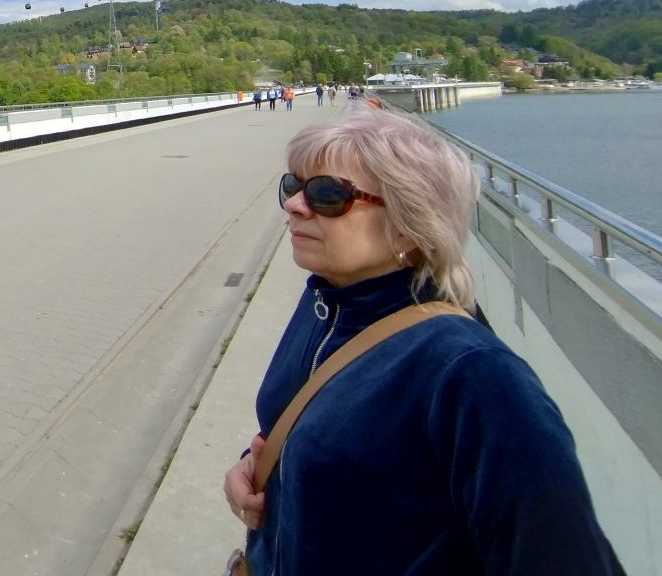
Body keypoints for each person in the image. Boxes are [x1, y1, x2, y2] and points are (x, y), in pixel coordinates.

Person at [222, 108, 622, 574]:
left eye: (327, 195)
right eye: (294, 186)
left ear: (409, 226)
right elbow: (320, 441)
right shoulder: (325, 306)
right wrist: (256, 466)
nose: (295, 205)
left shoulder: (473, 375)